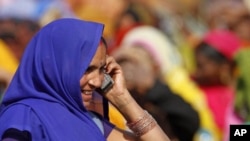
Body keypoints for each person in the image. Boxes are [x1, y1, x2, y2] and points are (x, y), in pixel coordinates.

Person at [0, 18, 170, 141]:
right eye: (87, 69)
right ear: (55, 67)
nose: (97, 82)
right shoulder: (23, 117)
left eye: (101, 69)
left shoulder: (88, 121)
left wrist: (122, 98)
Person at [112, 46, 200, 141]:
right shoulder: (112, 105)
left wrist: (151, 85)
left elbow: (190, 121)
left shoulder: (159, 98)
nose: (129, 75)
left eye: (134, 69)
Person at [192, 29, 241, 140]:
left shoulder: (241, 93)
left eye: (201, 66)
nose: (196, 72)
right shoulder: (193, 91)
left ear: (224, 67)